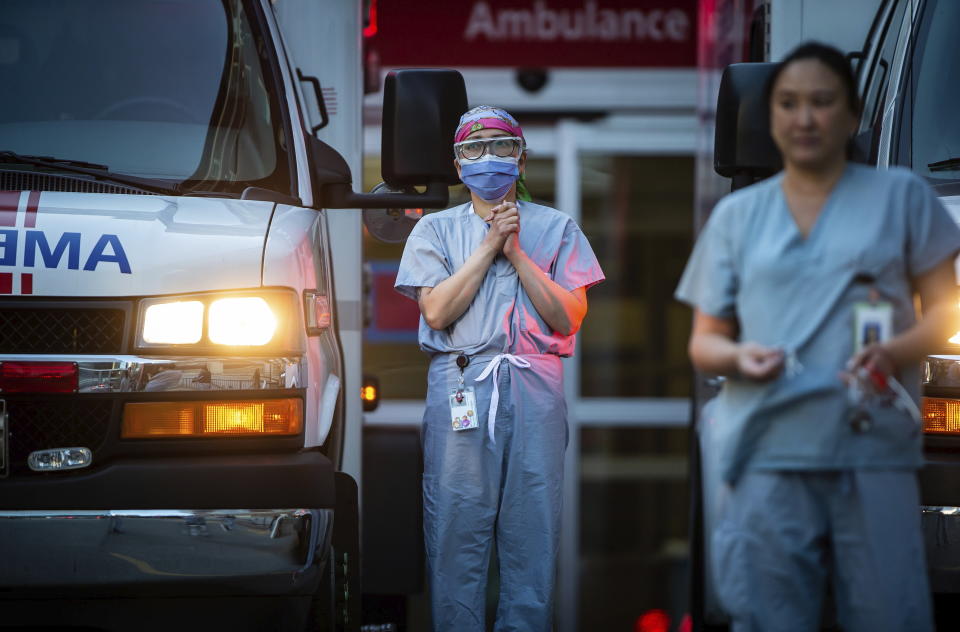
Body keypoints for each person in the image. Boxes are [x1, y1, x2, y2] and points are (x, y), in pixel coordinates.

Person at [676, 42, 960, 631]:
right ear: (771, 117)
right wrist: (740, 354)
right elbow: (704, 343)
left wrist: (893, 350)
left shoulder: (903, 199)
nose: (805, 118)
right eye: (788, 104)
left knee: (887, 612)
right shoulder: (739, 217)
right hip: (770, 450)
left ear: (854, 116)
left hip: (870, 448)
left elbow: (943, 312)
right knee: (774, 613)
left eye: (822, 102)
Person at [394, 105, 604, 631]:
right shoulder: (434, 231)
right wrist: (489, 246)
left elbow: (567, 317)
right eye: (473, 148)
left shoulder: (556, 227)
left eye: (502, 146)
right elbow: (438, 311)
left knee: (533, 529)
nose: (488, 158)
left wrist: (516, 252)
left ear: (522, 159)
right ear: (458, 165)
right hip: (463, 381)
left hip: (536, 381)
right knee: (456, 529)